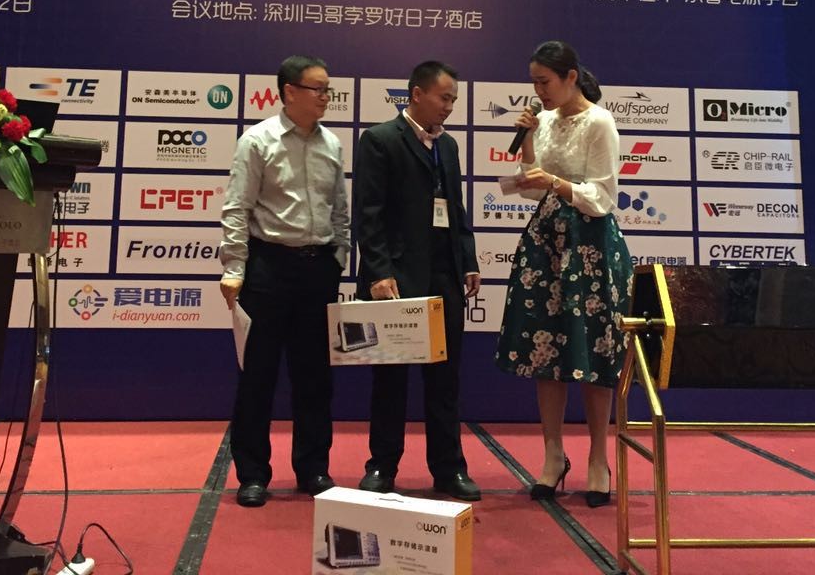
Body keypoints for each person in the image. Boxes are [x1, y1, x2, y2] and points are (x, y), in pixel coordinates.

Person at [494, 40, 634, 507]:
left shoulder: (600, 121)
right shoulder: (546, 120)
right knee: (544, 350)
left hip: (589, 246)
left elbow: (602, 197)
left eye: (545, 81)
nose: (539, 91)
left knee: (593, 352)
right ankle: (553, 455)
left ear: (571, 76)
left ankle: (598, 459)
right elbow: (531, 188)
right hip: (546, 243)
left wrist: (555, 182)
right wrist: (528, 141)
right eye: (534, 82)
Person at [219, 55, 350, 508]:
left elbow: (340, 209)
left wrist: (338, 258)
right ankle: (253, 473)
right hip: (268, 267)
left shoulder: (332, 143)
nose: (326, 97)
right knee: (258, 375)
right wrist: (235, 268)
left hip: (318, 269)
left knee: (315, 376)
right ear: (289, 91)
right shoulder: (257, 140)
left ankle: (313, 469)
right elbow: (237, 207)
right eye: (318, 88)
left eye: (328, 89)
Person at [355, 61, 482, 501]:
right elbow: (368, 214)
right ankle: (381, 466)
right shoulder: (379, 139)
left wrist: (468, 259)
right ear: (416, 94)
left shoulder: (448, 146)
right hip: (396, 278)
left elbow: (456, 208)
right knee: (390, 380)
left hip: (444, 275)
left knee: (445, 380)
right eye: (444, 98)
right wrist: (378, 272)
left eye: (453, 100)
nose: (449, 107)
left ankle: (449, 469)